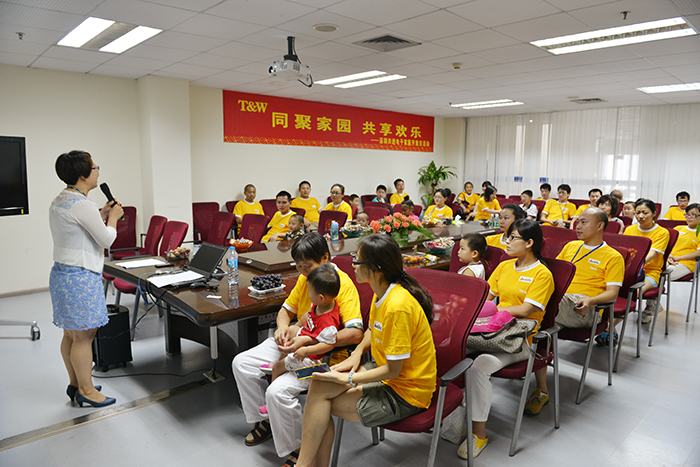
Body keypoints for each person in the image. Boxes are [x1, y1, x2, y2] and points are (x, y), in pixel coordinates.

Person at [295, 234, 436, 467]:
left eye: (357, 260)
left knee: (320, 404)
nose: (352, 265)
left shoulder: (397, 306)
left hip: (406, 392)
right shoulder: (383, 292)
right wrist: (357, 353)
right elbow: (372, 329)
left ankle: (303, 465)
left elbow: (393, 371)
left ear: (376, 269)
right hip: (383, 371)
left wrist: (349, 378)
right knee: (319, 385)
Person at [231, 233, 363, 464]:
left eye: (307, 266)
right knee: (241, 363)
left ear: (324, 258)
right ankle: (267, 421)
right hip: (295, 342)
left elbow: (355, 333)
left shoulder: (342, 285)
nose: (302, 272)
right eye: (298, 266)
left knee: (277, 392)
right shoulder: (307, 278)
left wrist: (310, 341)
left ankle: (299, 448)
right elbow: (286, 311)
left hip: (320, 356)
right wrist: (283, 329)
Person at [458, 219, 554, 459]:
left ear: (529, 243)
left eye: (513, 238)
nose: (507, 242)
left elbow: (525, 310)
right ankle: (452, 415)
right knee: (451, 351)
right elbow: (486, 298)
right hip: (492, 330)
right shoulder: (504, 266)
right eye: (508, 237)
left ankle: (478, 433)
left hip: (519, 339)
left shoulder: (542, 274)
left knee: (478, 368)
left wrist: (495, 311)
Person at [524, 208, 624, 415]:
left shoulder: (613, 256)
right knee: (536, 322)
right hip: (559, 303)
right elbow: (554, 273)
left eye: (584, 222)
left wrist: (591, 300)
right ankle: (540, 387)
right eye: (578, 222)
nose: (578, 226)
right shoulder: (570, 246)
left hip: (585, 309)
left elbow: (613, 294)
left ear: (600, 226)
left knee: (533, 311)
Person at [50, 150, 123, 408]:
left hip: (63, 274)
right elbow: (106, 239)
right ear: (83, 175)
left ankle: (75, 384)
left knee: (71, 334)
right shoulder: (82, 205)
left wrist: (101, 214)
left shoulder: (62, 199)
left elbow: (79, 228)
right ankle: (87, 390)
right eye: (94, 168)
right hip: (80, 277)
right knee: (84, 336)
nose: (97, 171)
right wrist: (113, 218)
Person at [258, 264, 340, 418]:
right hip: (304, 342)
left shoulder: (329, 324)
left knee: (277, 368)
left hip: (310, 360)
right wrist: (296, 328)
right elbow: (307, 317)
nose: (307, 294)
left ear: (321, 297)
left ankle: (270, 404)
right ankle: (283, 362)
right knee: (289, 334)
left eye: (309, 291)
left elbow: (329, 344)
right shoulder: (320, 304)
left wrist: (306, 350)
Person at [624, 199, 670, 323]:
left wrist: (635, 265)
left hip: (650, 273)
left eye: (645, 213)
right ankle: (609, 325)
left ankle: (609, 327)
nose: (640, 216)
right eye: (638, 212)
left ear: (654, 213)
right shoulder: (629, 230)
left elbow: (651, 255)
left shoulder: (662, 232)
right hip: (629, 271)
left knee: (633, 293)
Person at [666, 203, 700, 281]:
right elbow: (667, 244)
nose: (689, 217)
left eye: (693, 215)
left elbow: (698, 253)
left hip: (686, 262)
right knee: (653, 271)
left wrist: (677, 258)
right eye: (687, 214)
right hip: (669, 258)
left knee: (664, 276)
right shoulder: (678, 228)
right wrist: (668, 256)